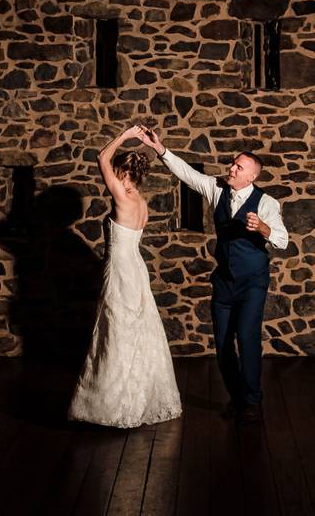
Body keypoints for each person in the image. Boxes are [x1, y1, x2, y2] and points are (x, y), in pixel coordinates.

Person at [138, 128, 288, 424]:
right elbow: (186, 174)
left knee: (247, 339)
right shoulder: (216, 188)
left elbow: (282, 240)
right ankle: (236, 397)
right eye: (233, 164)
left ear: (251, 176)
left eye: (238, 167)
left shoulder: (267, 203)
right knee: (222, 345)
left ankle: (252, 401)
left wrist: (262, 228)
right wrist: (160, 149)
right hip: (224, 283)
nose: (231, 168)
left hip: (252, 284)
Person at [68, 125, 182, 428]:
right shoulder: (141, 202)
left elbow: (100, 158)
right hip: (136, 266)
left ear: (122, 172)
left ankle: (111, 404)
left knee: (115, 329)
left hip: (120, 267)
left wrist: (125, 135)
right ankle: (138, 397)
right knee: (137, 330)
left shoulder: (122, 194)